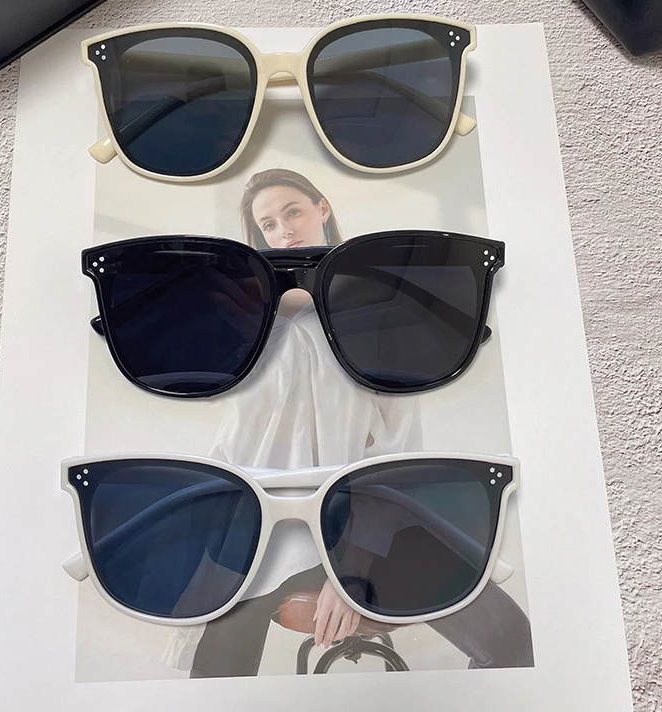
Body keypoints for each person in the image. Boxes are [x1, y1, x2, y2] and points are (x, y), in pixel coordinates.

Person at [168, 168, 533, 677]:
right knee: (217, 675)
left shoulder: (376, 308)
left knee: (511, 640)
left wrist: (351, 572)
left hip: (366, 519)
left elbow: (396, 447)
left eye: (293, 212)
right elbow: (235, 440)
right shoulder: (247, 324)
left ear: (322, 208)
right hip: (261, 524)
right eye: (268, 225)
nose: (284, 230)